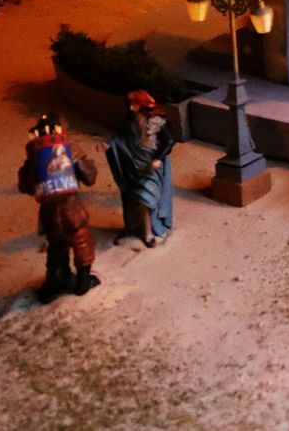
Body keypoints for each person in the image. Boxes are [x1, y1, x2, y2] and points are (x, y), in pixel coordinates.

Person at [18, 113, 100, 301]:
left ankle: (55, 281)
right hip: (72, 212)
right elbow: (90, 178)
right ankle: (81, 281)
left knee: (57, 246)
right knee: (82, 242)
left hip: (50, 215)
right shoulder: (70, 151)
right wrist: (82, 163)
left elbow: (26, 186)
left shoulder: (36, 156)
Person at [105, 90, 176, 247]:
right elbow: (122, 138)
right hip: (133, 166)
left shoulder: (157, 121)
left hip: (150, 168)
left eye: (134, 103)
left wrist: (158, 158)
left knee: (145, 198)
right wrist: (109, 145)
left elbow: (169, 140)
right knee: (134, 198)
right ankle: (137, 227)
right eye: (130, 103)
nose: (131, 106)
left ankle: (148, 233)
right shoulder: (129, 121)